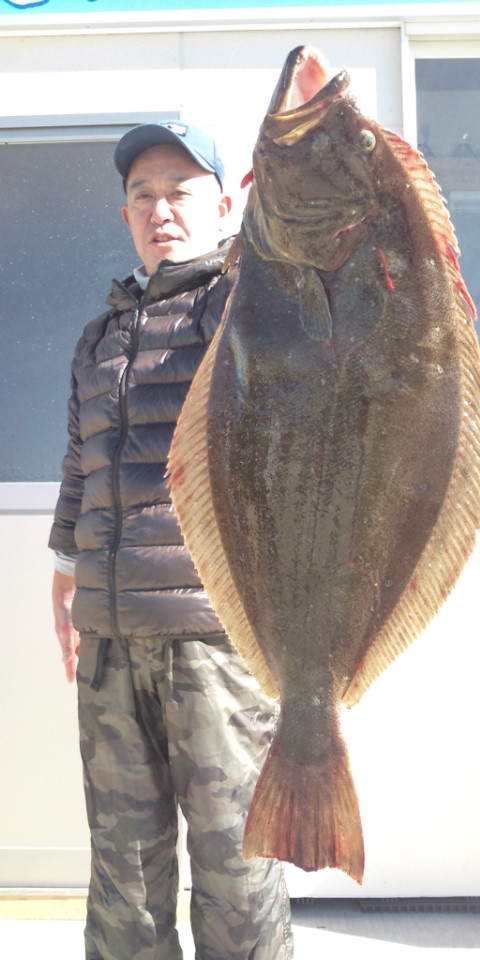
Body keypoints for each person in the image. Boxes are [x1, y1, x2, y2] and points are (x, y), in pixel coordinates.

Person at [49, 120, 293, 960]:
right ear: (125, 216)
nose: (161, 210)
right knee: (123, 873)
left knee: (236, 864)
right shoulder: (99, 337)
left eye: (182, 192)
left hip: (213, 640)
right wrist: (66, 571)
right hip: (111, 641)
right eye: (143, 195)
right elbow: (81, 464)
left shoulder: (242, 309)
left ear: (224, 206)